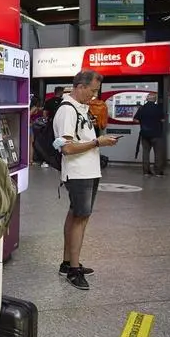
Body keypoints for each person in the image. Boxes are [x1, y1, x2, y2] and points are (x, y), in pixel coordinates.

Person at [53, 70, 118, 290]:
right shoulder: (67, 111)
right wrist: (98, 143)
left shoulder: (81, 108)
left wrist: (97, 141)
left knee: (75, 215)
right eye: (92, 90)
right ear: (80, 87)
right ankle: (73, 269)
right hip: (78, 172)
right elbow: (67, 147)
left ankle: (67, 262)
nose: (94, 95)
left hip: (88, 171)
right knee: (81, 218)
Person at [132, 93, 166, 176]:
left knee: (145, 153)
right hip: (157, 134)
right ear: (155, 100)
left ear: (147, 99)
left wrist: (143, 122)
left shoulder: (141, 108)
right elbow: (163, 120)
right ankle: (158, 172)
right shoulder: (158, 108)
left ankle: (146, 172)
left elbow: (135, 120)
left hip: (145, 134)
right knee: (158, 153)